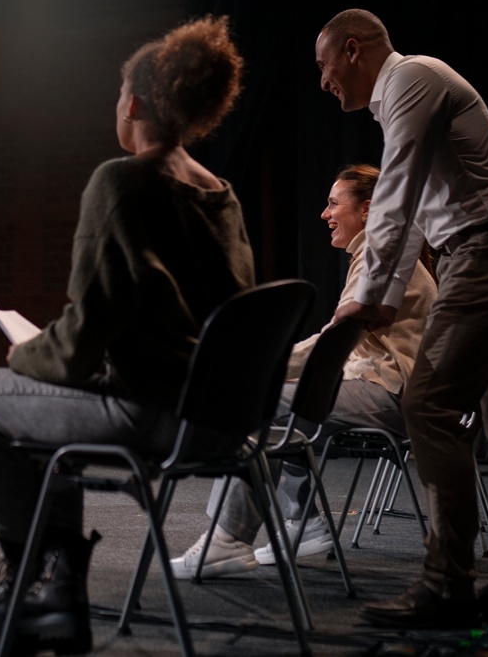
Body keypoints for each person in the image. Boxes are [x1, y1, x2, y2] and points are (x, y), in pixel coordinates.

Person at [0, 15, 252, 654]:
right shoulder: (221, 194)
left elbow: (82, 337)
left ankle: (34, 588)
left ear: (133, 104)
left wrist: (26, 352)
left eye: (118, 94)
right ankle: (57, 593)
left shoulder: (121, 180)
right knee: (49, 406)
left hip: (154, 413)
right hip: (221, 419)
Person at [315, 9, 488, 630]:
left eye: (324, 66)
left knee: (428, 405)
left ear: (353, 49)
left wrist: (367, 297)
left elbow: (395, 196)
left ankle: (447, 583)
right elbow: (411, 213)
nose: (323, 82)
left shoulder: (412, 78)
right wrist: (379, 296)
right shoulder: (402, 99)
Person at [168, 163, 436, 580]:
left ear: (367, 209)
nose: (325, 214)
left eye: (333, 204)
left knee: (260, 403)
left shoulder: (380, 251)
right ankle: (304, 521)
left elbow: (338, 336)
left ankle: (228, 538)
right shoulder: (383, 249)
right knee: (283, 403)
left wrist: (262, 364)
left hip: (392, 393)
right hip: (385, 386)